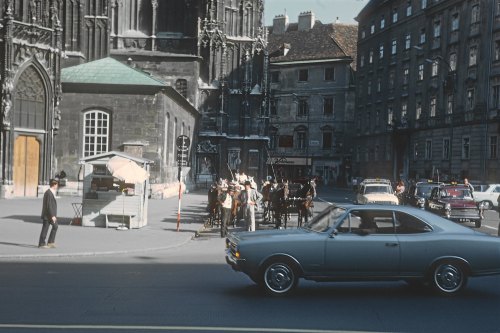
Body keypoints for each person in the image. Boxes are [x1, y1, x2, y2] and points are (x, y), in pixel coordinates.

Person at [38, 179, 59, 249]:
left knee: (55, 226)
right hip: (48, 215)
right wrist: (52, 215)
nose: (57, 186)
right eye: (57, 184)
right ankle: (41, 243)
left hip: (50, 215)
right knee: (45, 229)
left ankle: (50, 242)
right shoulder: (48, 193)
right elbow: (49, 205)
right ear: (54, 185)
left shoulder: (51, 192)